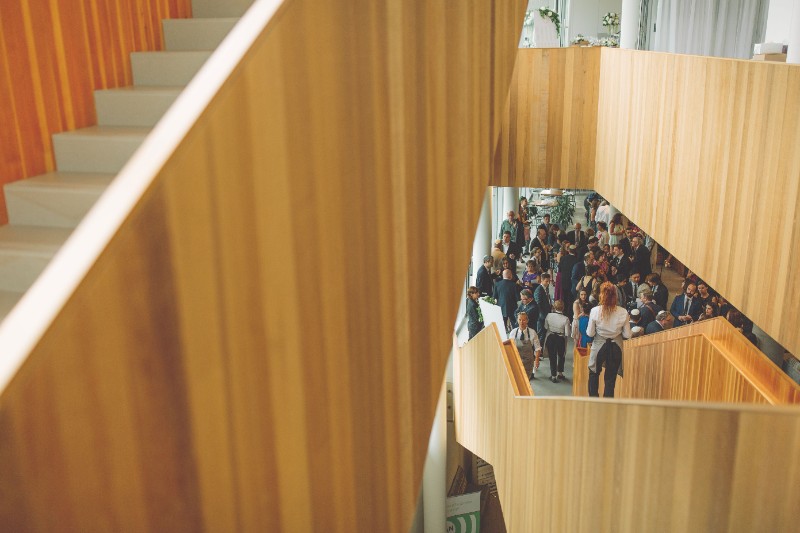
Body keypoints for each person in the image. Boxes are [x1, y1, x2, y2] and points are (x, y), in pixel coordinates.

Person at [586, 281, 632, 398]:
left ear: (601, 295)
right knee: (610, 377)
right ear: (615, 296)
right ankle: (607, 403)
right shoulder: (623, 312)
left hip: (599, 345)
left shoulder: (595, 311)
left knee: (594, 373)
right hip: (616, 345)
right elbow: (627, 335)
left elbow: (590, 333)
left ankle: (593, 399)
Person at [508, 312, 542, 379]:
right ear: (517, 320)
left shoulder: (532, 332)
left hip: (528, 362)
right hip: (516, 361)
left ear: (527, 321)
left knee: (526, 380)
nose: (521, 322)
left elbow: (538, 348)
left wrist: (537, 360)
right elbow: (509, 347)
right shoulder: (513, 333)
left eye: (523, 320)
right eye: (520, 320)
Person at [543, 300, 570, 383]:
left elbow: (545, 326)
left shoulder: (549, 315)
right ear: (563, 308)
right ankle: (560, 373)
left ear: (554, 307)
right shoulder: (566, 319)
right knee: (561, 355)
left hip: (551, 337)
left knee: (552, 357)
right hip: (560, 338)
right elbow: (567, 333)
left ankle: (553, 376)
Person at [533, 273, 553, 340]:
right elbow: (538, 305)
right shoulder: (538, 291)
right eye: (546, 281)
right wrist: (542, 316)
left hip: (546, 313)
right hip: (541, 316)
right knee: (540, 334)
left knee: (544, 332)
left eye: (549, 281)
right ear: (542, 280)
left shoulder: (545, 288)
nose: (548, 283)